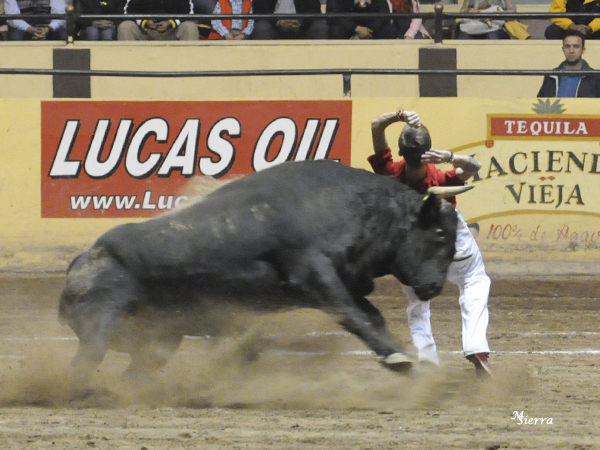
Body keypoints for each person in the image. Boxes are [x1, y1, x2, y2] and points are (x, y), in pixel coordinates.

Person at [368, 108, 493, 378]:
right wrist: (449, 157)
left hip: (411, 248)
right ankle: (476, 347)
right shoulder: (440, 177)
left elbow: (376, 125)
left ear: (400, 152)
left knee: (418, 302)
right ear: (428, 152)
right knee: (474, 279)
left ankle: (427, 358)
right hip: (449, 239)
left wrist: (399, 115)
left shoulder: (389, 172)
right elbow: (474, 167)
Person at [538, 31, 600, 97]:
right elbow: (541, 102)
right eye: (567, 46)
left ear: (583, 50)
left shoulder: (595, 77)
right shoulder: (551, 76)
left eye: (576, 46)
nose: (571, 51)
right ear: (563, 49)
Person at [118, 0, 199, 40]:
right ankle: (126, 66)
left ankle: (190, 67)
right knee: (125, 26)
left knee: (190, 27)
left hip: (172, 31)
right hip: (145, 31)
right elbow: (127, 12)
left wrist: (171, 23)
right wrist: (144, 22)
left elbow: (189, 12)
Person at [252, 0, 328, 40]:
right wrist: (278, 22)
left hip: (302, 27)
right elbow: (259, 11)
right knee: (261, 27)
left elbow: (315, 11)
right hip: (274, 27)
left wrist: (301, 21)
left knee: (320, 26)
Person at [326, 0, 396, 40]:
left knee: (389, 29)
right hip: (348, 27)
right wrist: (355, 28)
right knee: (336, 30)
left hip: (371, 27)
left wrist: (368, 30)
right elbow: (332, 15)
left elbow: (384, 13)